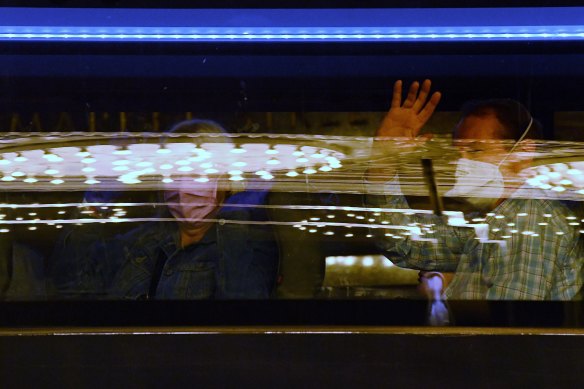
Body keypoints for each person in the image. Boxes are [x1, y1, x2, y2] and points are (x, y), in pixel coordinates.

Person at [367, 80, 583, 300]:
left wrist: (442, 294)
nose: (462, 163)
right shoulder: (488, 220)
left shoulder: (529, 220)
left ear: (524, 153)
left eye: (475, 150)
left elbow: (506, 324)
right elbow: (405, 244)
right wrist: (383, 162)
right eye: (458, 153)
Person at [49, 119, 279, 300]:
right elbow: (73, 284)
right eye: (174, 173)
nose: (183, 187)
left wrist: (234, 215)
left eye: (198, 173)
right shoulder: (143, 242)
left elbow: (242, 311)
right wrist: (95, 200)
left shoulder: (249, 244)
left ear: (226, 179)